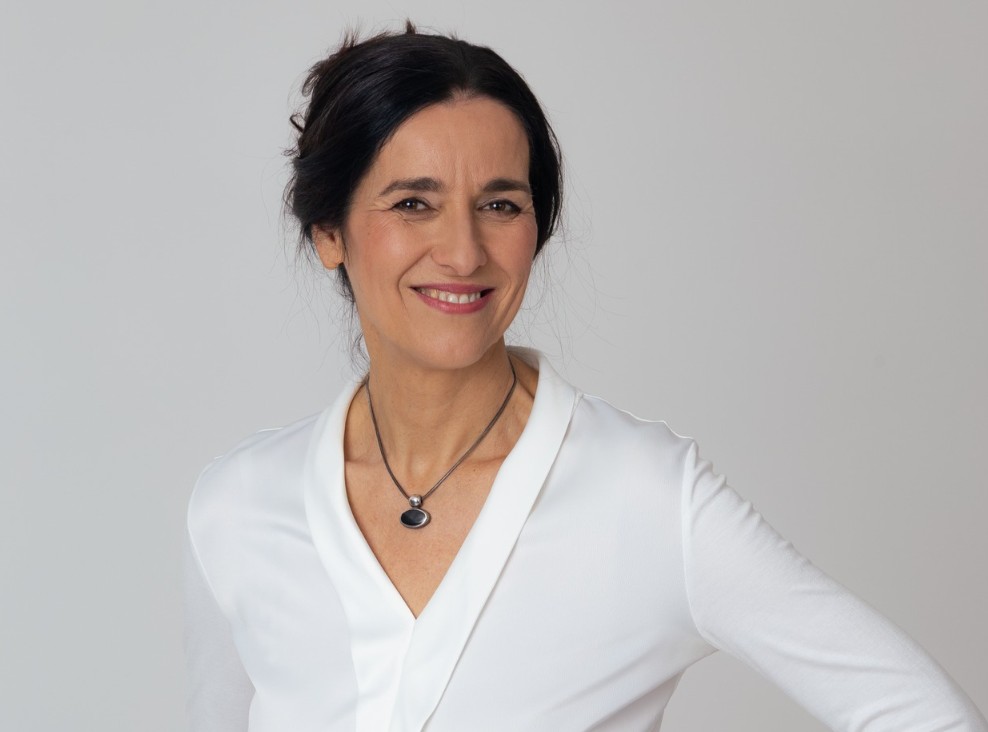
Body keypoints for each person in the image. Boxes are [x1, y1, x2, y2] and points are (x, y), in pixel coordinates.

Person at [184, 23, 988, 731]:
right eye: (413, 204)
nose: (462, 252)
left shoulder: (645, 497)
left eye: (500, 205)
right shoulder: (239, 509)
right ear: (329, 231)